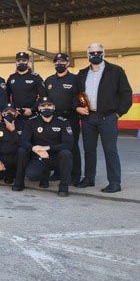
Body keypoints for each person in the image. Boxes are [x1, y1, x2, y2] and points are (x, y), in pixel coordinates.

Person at [75, 43, 133, 193]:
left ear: (103, 53)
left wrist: (118, 113)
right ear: (87, 55)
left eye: (98, 52)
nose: (95, 54)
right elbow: (75, 94)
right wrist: (77, 107)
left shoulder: (116, 71)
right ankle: (89, 178)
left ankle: (114, 182)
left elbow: (126, 94)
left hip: (108, 117)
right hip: (88, 118)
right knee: (89, 150)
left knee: (110, 150)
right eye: (92, 52)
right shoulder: (82, 73)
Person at [14, 97, 73, 196]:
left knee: (66, 154)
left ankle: (63, 187)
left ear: (54, 107)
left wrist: (47, 148)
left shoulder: (63, 121)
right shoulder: (31, 121)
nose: (46, 108)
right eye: (43, 106)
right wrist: (35, 148)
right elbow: (23, 140)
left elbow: (69, 143)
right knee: (23, 152)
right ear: (39, 108)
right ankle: (19, 183)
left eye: (49, 105)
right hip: (38, 156)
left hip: (55, 156)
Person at [44, 53, 82, 185]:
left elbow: (80, 98)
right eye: (56, 62)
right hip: (54, 118)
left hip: (70, 117)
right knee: (55, 145)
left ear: (67, 63)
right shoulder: (49, 80)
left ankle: (75, 175)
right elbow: (45, 100)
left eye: (62, 61)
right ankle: (58, 172)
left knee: (72, 146)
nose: (59, 64)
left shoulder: (75, 79)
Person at [6, 52, 45, 120]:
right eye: (18, 61)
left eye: (24, 60)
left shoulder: (36, 77)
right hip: (16, 114)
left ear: (28, 61)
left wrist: (32, 109)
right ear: (16, 62)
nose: (21, 63)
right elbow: (6, 96)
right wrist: (12, 108)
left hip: (32, 114)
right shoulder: (11, 78)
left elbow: (43, 96)